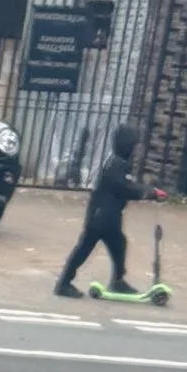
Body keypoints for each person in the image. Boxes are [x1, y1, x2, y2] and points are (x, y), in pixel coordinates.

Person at [55, 123, 139, 297]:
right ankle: (63, 283)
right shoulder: (116, 165)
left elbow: (126, 186)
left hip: (106, 216)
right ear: (127, 145)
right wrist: (148, 192)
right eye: (133, 145)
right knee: (84, 249)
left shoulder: (119, 162)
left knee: (118, 245)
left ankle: (117, 281)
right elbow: (124, 188)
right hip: (102, 217)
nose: (135, 149)